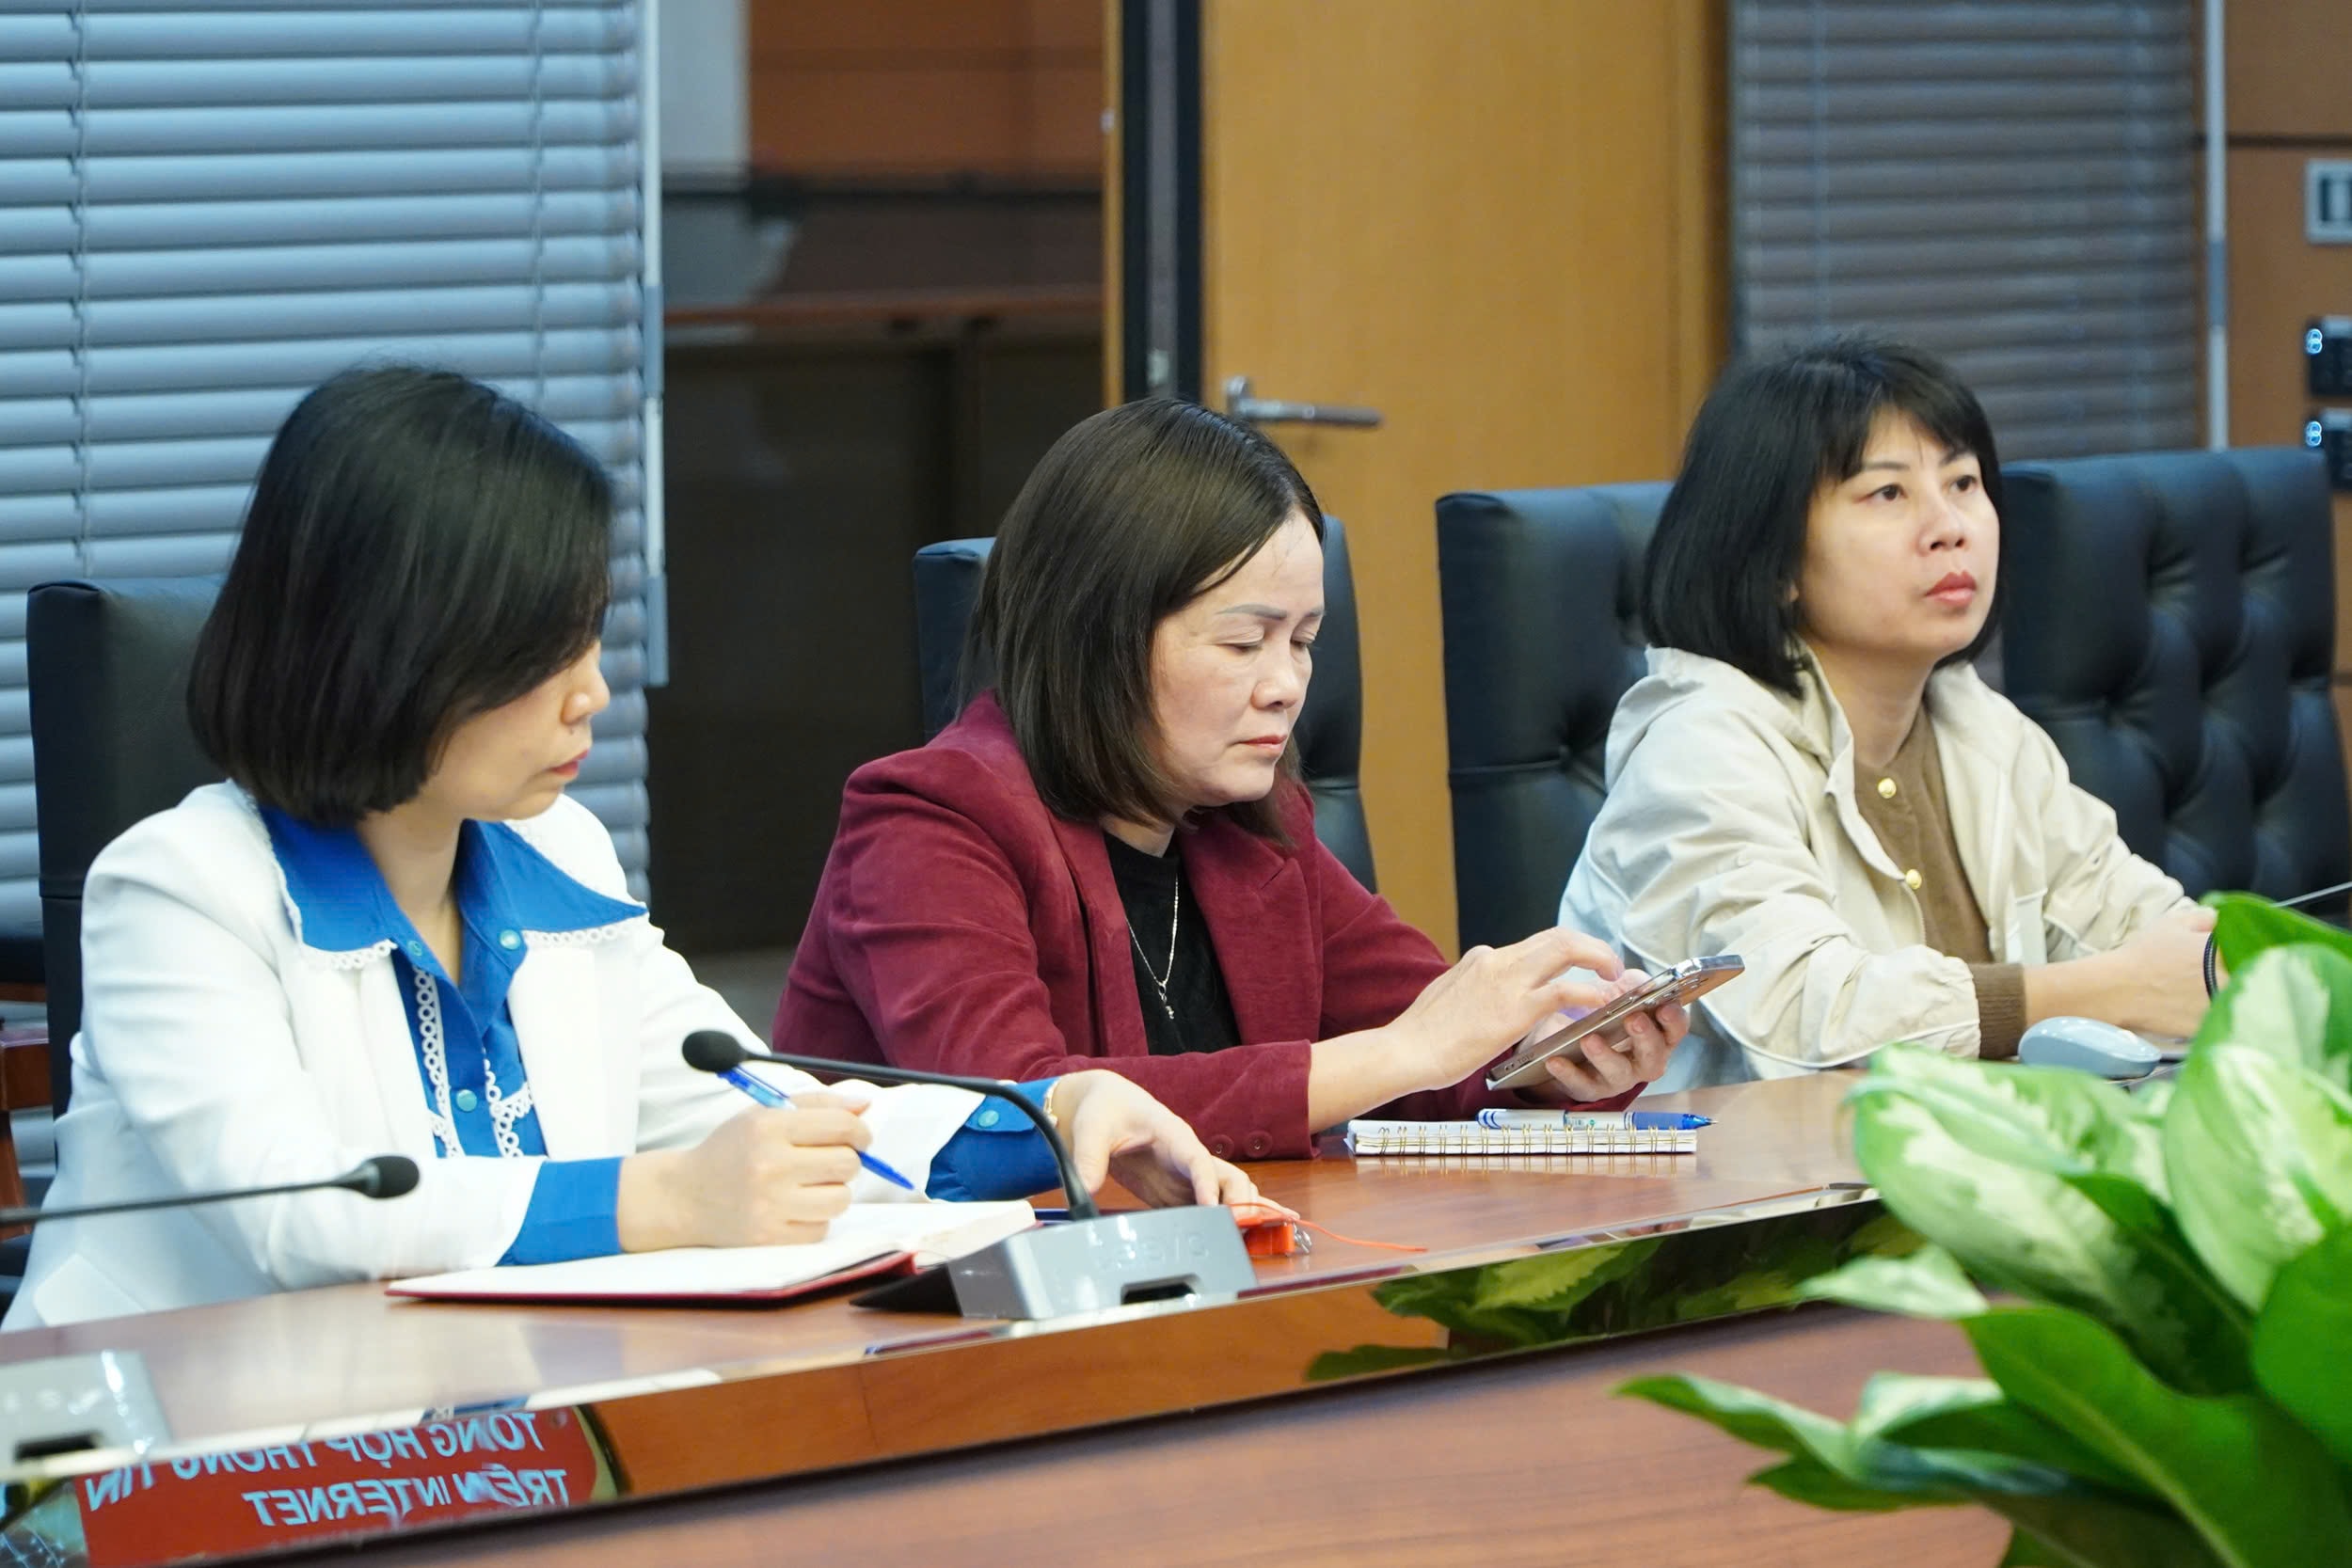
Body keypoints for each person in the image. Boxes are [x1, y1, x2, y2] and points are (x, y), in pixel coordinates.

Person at [6, 368, 1262, 1329]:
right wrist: (661, 1199)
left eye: (594, 639)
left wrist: (1051, 1117)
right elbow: (302, 1209)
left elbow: (758, 1104)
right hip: (149, 1465)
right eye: (548, 652)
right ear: (394, 650)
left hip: (477, 1430)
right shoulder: (178, 889)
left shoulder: (556, 851)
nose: (592, 694)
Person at [776, 398, 1688, 1160]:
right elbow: (1016, 1112)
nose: (1286, 683)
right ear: (1098, 635)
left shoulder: (1249, 823)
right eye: (1244, 641)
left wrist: (1541, 1064)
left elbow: (1426, 1069)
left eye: (1304, 640)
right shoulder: (929, 819)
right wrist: (1409, 1049)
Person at [1560, 334, 2209, 1089]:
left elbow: (2147, 932)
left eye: (1964, 483)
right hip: (1752, 1194)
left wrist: (2236, 968)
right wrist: (2117, 989)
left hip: (1966, 1171)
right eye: (1888, 494)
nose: (1950, 526)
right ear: (1772, 563)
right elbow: (1806, 1016)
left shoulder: (1983, 731)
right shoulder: (1698, 746)